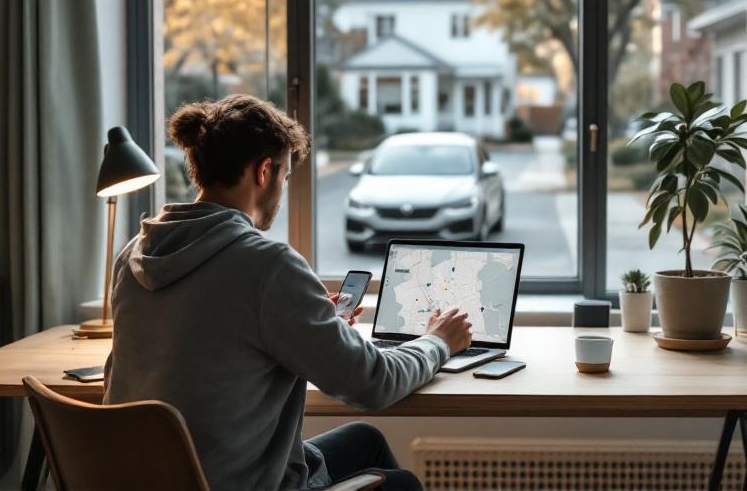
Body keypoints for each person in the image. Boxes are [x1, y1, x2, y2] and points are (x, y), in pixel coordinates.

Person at [103, 94, 472, 490]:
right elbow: (374, 382)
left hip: (154, 476)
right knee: (401, 484)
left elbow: (215, 338)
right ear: (264, 171)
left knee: (365, 440)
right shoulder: (267, 265)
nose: (282, 190)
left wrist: (315, 326)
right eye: (285, 176)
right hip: (232, 482)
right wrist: (437, 342)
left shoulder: (134, 253)